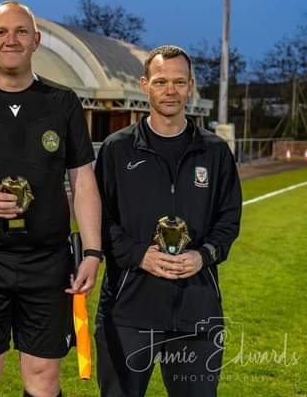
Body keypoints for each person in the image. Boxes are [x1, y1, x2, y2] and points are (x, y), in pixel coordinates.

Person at [0, 1, 102, 397]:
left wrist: (93, 252)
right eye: (1, 32)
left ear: (36, 41)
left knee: (44, 376)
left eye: (21, 32)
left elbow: (82, 180)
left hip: (47, 260)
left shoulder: (62, 102)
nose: (11, 39)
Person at [94, 45, 242, 396]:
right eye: (161, 81)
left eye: (179, 82)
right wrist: (138, 255)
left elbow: (229, 218)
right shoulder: (117, 149)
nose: (170, 90)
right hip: (128, 309)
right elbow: (98, 220)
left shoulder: (215, 151)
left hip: (196, 311)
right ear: (145, 84)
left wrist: (203, 255)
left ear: (191, 86)